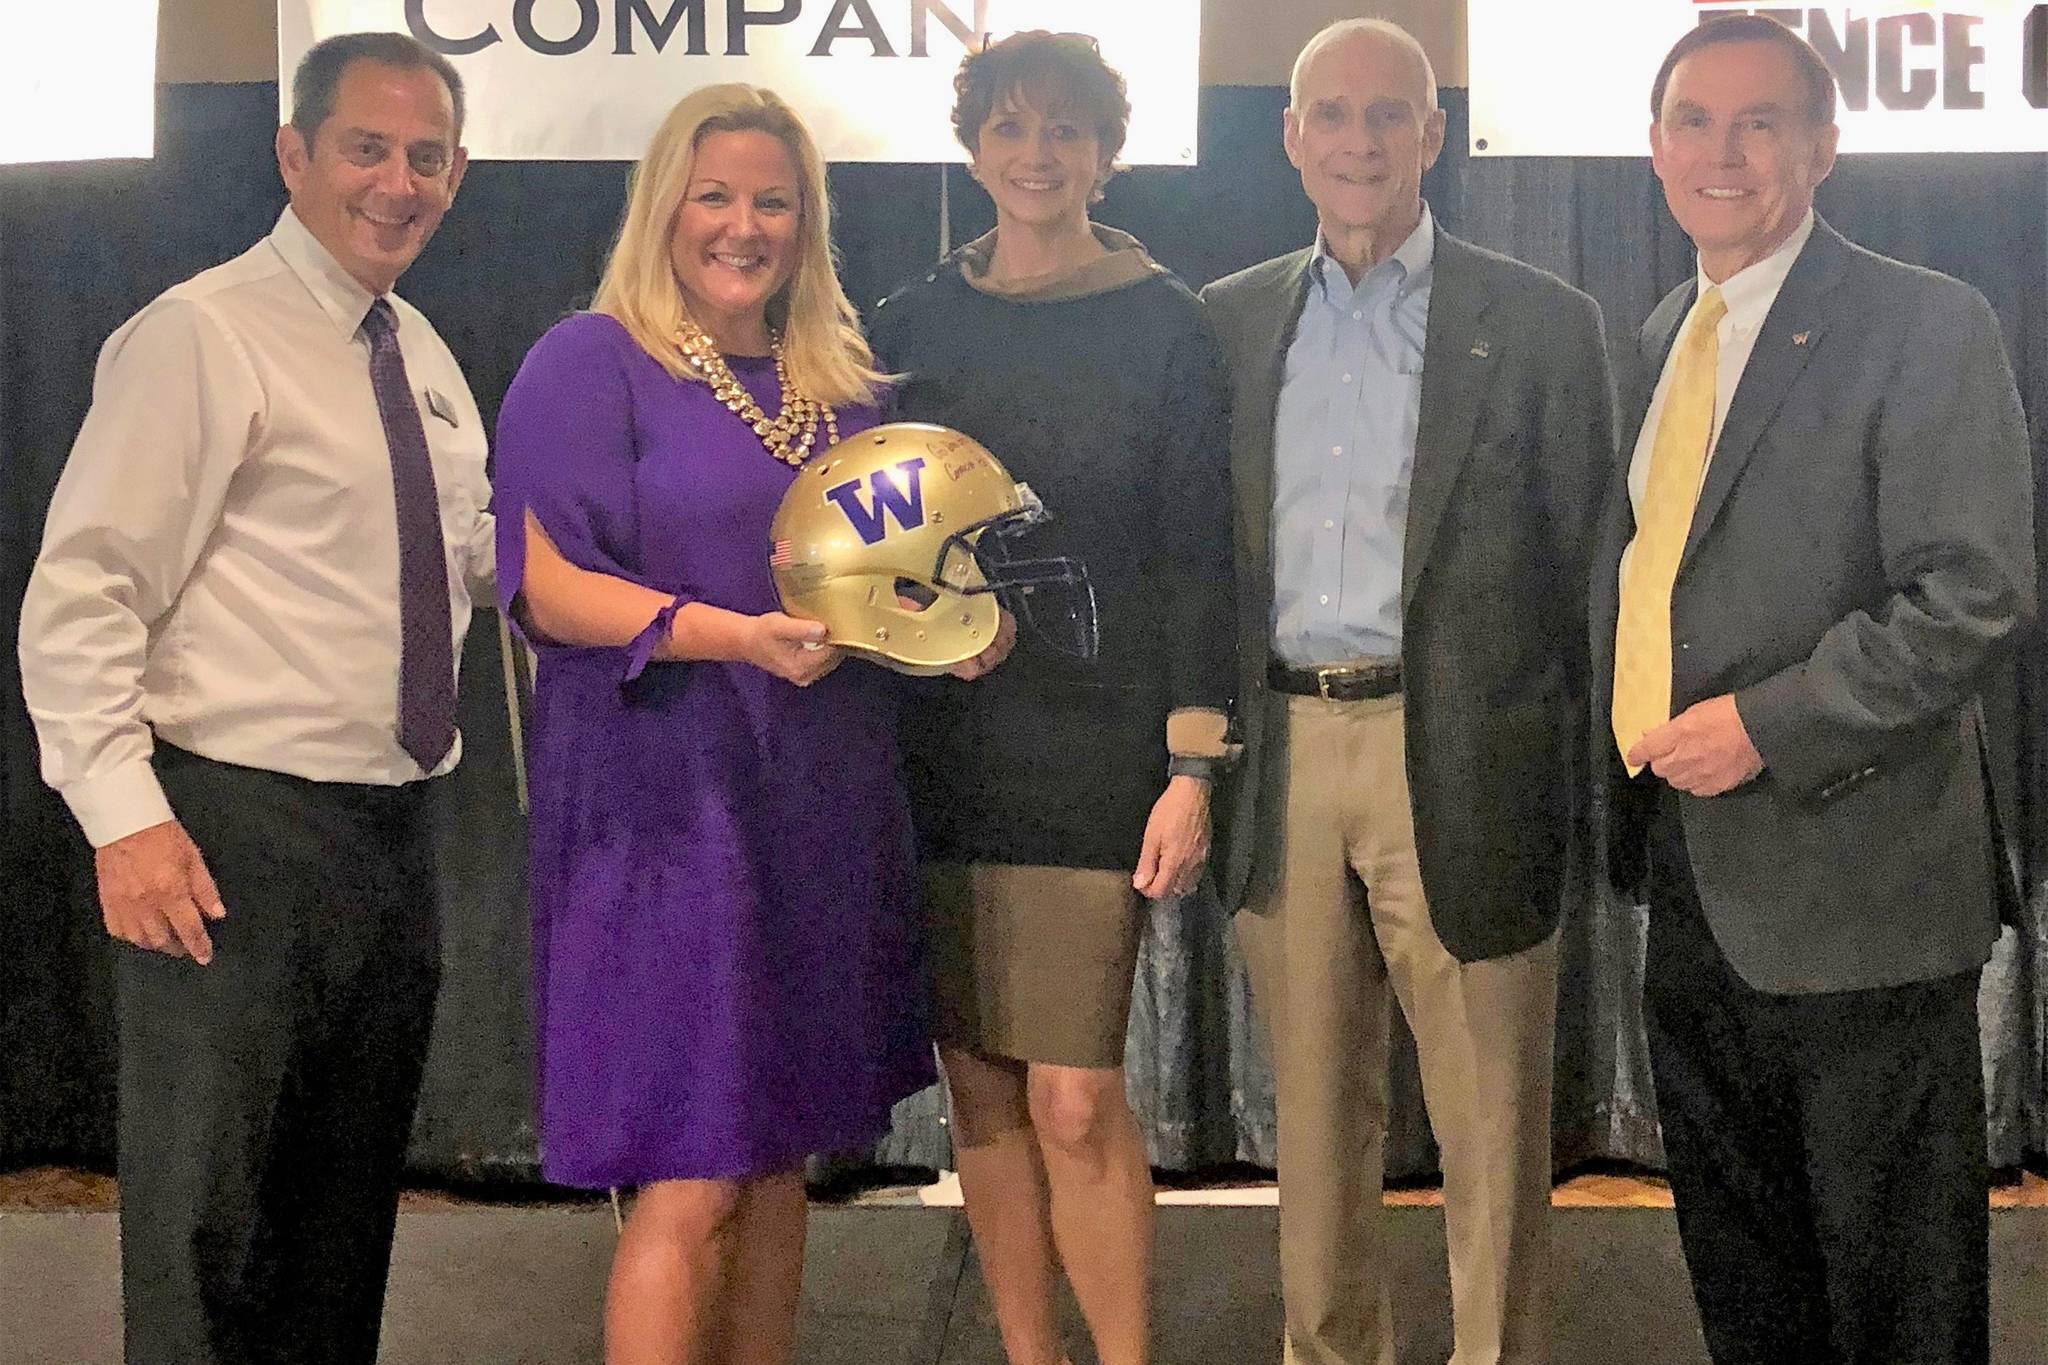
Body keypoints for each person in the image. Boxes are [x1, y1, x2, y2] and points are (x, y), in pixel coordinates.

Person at [492, 83, 1006, 1365]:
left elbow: (894, 583)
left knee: (778, 1160)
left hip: (812, 805)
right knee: (690, 1173)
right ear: (663, 209)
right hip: (659, 809)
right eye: (712, 196)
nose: (742, 225)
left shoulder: (845, 391)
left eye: (771, 200)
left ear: (807, 222)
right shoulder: (588, 360)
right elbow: (547, 586)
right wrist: (732, 637)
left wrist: (956, 630)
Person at [15, 31, 489, 1365]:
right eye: (365, 149)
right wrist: (124, 818)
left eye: (426, 156)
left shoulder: (427, 356)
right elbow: (84, 592)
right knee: (205, 1232)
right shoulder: (202, 333)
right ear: (292, 154)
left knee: (339, 1227)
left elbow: (476, 566)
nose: (396, 182)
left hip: (397, 834)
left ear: (458, 173)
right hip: (230, 829)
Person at [1594, 16, 2034, 1363]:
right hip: (1695, 888)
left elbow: (1972, 589)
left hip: (1859, 889)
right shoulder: (1672, 327)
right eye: (1695, 121)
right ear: (1655, 148)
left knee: (1898, 1300)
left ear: (1826, 144)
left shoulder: (1923, 319)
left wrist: (1768, 729)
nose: (1724, 151)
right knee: (1750, 1284)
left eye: (1761, 121)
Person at [1200, 18, 1614, 1365]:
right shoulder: (1227, 322)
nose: (1361, 139)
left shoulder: (1545, 326)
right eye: (1334, 113)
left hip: (1467, 760)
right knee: (1314, 1133)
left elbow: (1584, 572)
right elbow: (1204, 564)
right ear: (1292, 136)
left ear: (1434, 136)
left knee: (1495, 1127)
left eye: (1391, 114)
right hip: (1285, 752)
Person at [868, 30, 1237, 1365]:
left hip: (1099, 760)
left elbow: (1205, 564)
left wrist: (1195, 767)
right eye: (1013, 127)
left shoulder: (1168, 327)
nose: (1038, 155)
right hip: (944, 755)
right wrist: (918, 632)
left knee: (1076, 1096)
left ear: (1106, 152)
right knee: (981, 1092)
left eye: (1065, 130)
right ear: (973, 145)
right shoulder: (905, 328)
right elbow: (870, 552)